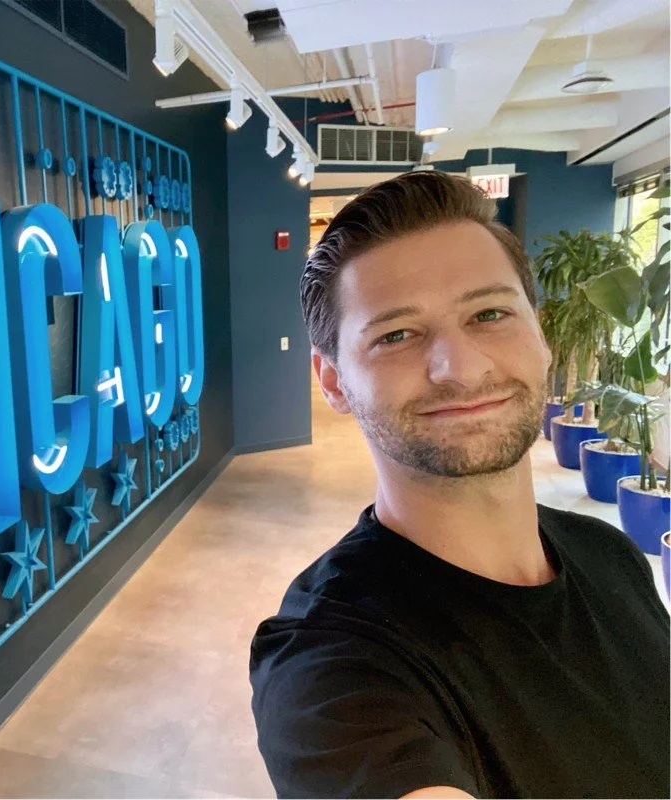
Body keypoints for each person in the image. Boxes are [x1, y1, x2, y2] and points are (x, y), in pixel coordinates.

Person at [249, 171, 670, 799]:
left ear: (540, 337)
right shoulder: (330, 663)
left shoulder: (610, 554)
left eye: (489, 314)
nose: (461, 369)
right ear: (333, 381)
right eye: (396, 335)